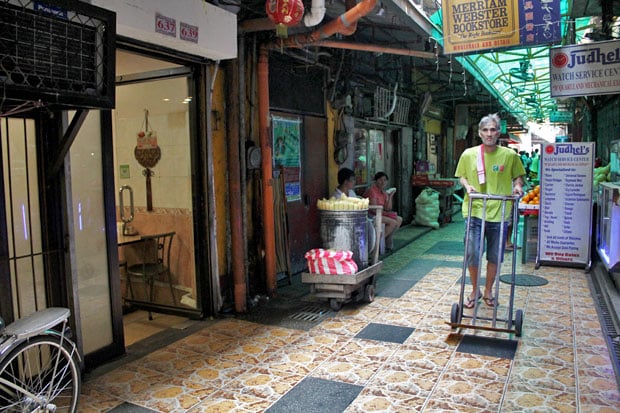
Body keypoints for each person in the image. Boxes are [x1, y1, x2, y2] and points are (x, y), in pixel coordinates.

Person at [454, 114, 526, 308]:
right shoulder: (469, 154)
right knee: (472, 252)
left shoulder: (510, 155)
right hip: (475, 210)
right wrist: (467, 186)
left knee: (495, 255)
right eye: (485, 130)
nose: (489, 133)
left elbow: (518, 177)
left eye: (493, 129)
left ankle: (488, 291)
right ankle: (475, 289)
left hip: (500, 213)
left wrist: (517, 187)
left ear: (498, 132)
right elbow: (461, 176)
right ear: (479, 133)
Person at [363, 172, 402, 251]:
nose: (383, 182)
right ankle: (376, 243)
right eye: (380, 180)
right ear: (376, 181)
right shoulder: (372, 191)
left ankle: (387, 239)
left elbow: (388, 208)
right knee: (393, 222)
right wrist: (385, 213)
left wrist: (390, 196)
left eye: (385, 180)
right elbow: (373, 208)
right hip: (371, 215)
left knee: (399, 219)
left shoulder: (383, 192)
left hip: (380, 213)